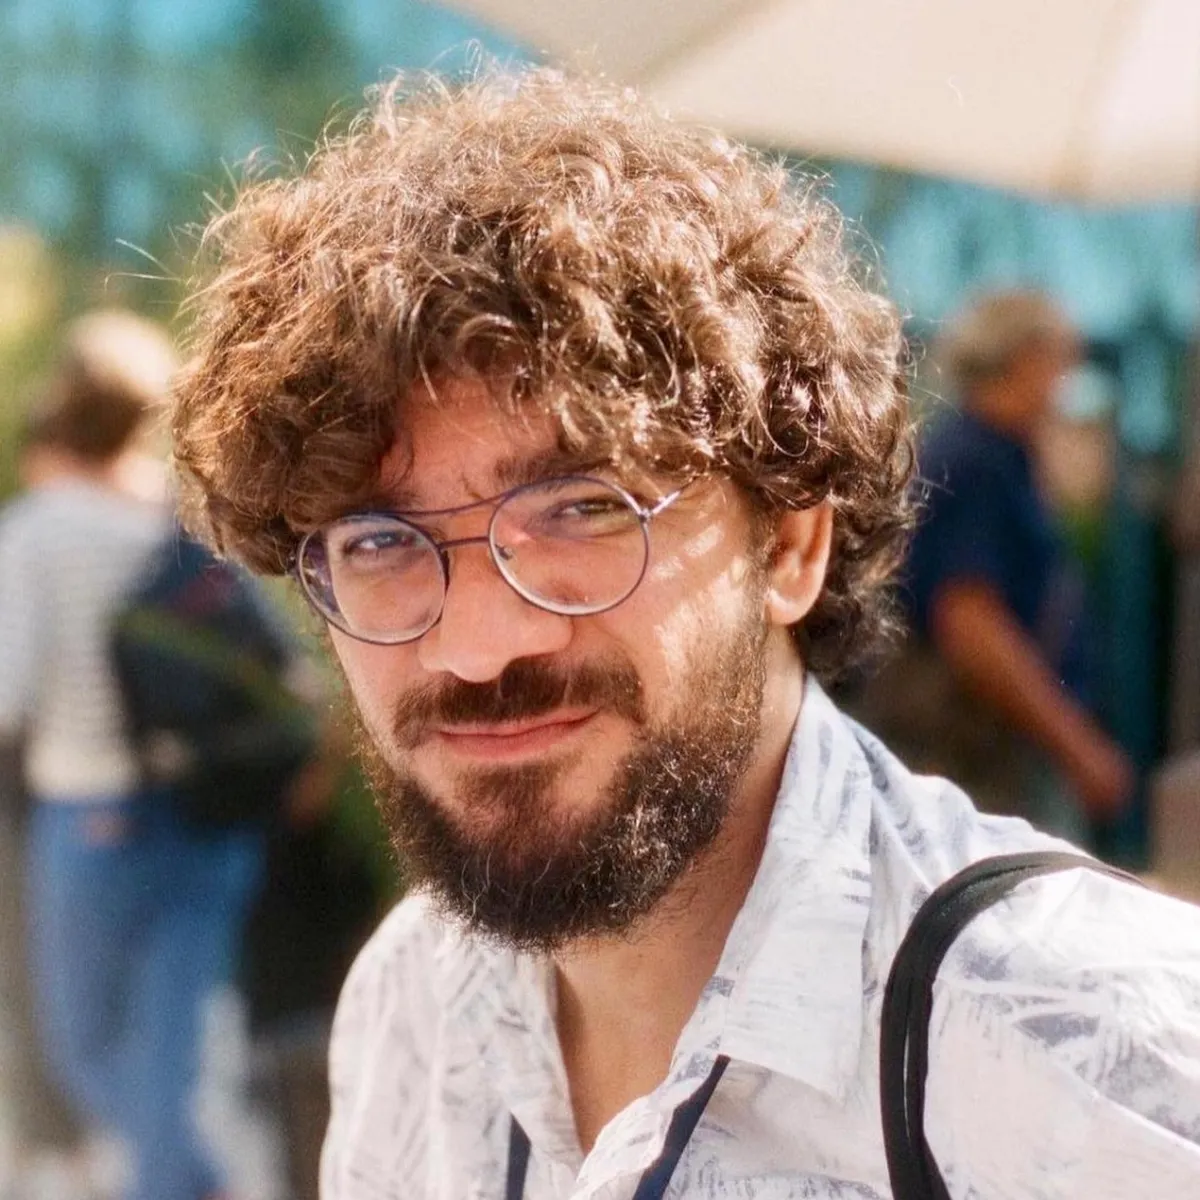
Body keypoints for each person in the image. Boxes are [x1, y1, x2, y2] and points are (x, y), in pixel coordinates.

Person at [170, 70, 1200, 1198]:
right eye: (377, 540)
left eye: (580, 509)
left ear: (792, 546)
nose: (474, 645)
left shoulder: (1087, 1053)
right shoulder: (416, 997)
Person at [0, 311, 268, 1200]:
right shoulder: (186, 518)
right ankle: (197, 1181)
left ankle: (191, 1182)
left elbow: (8, 693)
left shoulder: (40, 530)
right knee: (171, 1059)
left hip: (95, 820)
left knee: (85, 1048)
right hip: (213, 814)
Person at [851, 291, 1133, 839]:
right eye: (1060, 360)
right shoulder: (976, 461)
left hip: (985, 754)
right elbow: (971, 624)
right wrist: (1075, 744)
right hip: (974, 761)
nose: (1065, 380)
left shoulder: (990, 453)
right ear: (1026, 359)